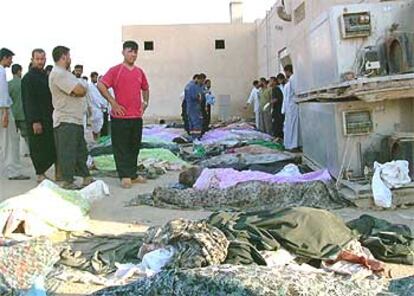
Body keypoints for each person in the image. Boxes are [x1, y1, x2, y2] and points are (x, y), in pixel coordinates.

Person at [97, 40, 150, 189]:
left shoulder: (139, 72)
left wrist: (145, 103)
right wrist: (113, 102)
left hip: (136, 117)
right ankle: (124, 175)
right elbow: (101, 85)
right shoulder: (116, 70)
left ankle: (133, 173)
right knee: (121, 147)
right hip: (120, 117)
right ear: (123, 52)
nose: (133, 54)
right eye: (130, 51)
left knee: (134, 146)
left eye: (135, 52)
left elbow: (145, 88)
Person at [49, 45, 92, 189]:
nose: (70, 59)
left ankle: (86, 177)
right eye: (69, 56)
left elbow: (79, 90)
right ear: (63, 57)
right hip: (66, 119)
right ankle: (68, 181)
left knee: (81, 151)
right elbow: (80, 90)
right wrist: (80, 89)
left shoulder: (66, 74)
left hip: (75, 119)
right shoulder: (59, 74)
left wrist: (80, 90)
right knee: (67, 151)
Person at [21, 48, 57, 183]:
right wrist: (35, 121)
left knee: (49, 145)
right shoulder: (28, 78)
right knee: (38, 146)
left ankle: (48, 172)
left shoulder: (45, 76)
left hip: (48, 117)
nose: (40, 61)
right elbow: (28, 101)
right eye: (38, 59)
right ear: (32, 60)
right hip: (36, 119)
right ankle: (40, 174)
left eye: (42, 59)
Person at [0, 48, 30, 180]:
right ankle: (13, 171)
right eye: (10, 58)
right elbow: (2, 94)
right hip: (3, 109)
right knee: (10, 141)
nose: (11, 61)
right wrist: (5, 112)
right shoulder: (1, 71)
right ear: (5, 58)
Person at [8, 64, 29, 154]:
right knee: (27, 136)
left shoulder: (8, 84)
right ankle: (31, 153)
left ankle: (13, 154)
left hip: (12, 114)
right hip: (23, 114)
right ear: (19, 71)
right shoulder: (24, 83)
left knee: (12, 137)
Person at [283, 64, 301, 151]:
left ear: (288, 71)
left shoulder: (293, 79)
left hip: (293, 106)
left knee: (293, 127)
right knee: (290, 126)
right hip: (290, 107)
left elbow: (296, 91)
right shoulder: (290, 81)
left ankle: (293, 145)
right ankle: (290, 144)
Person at [88, 72, 107, 140]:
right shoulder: (90, 87)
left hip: (99, 109)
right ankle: (96, 140)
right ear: (92, 78)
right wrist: (102, 105)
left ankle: (97, 140)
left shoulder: (96, 86)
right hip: (95, 108)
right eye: (95, 77)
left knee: (99, 126)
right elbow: (95, 98)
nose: (96, 79)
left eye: (96, 77)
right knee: (96, 127)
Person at [185, 74, 204, 140]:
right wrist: (200, 97)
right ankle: (196, 137)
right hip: (195, 108)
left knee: (191, 123)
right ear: (198, 79)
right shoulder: (193, 86)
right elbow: (195, 96)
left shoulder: (187, 86)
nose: (202, 82)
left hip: (189, 107)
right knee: (196, 123)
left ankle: (192, 136)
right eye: (202, 81)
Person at [271, 73, 286, 140]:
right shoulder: (277, 88)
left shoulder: (276, 89)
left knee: (278, 124)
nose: (270, 82)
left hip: (278, 109)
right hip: (279, 109)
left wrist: (271, 102)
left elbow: (277, 99)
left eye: (271, 81)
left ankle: (278, 138)